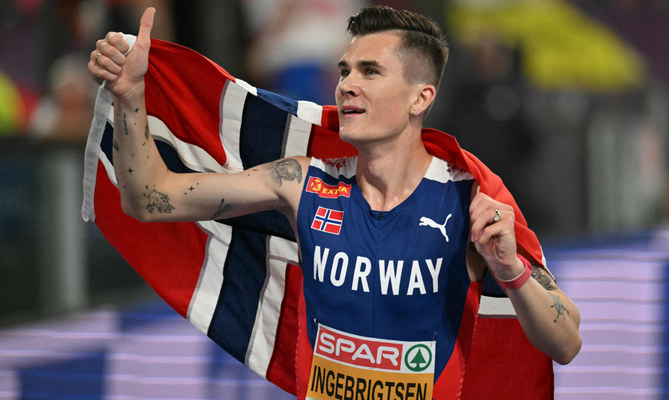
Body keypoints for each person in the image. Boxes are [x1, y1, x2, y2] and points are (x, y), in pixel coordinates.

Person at [88, 5, 581, 398]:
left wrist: (510, 269)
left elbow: (566, 343)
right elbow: (149, 198)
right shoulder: (300, 182)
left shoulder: (464, 201)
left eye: (370, 71)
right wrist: (130, 97)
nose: (347, 84)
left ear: (420, 98)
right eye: (345, 70)